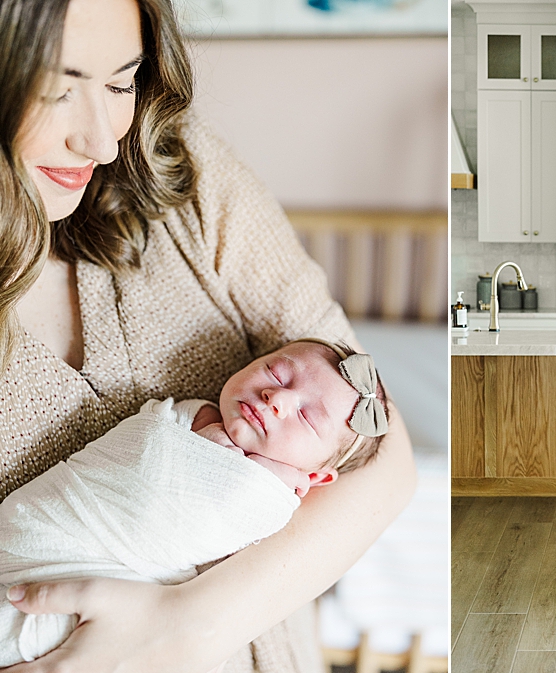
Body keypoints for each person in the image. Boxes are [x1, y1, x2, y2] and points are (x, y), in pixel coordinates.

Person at [0, 0, 416, 671]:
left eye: (119, 83)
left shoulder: (176, 169)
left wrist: (182, 628)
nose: (102, 141)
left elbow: (383, 451)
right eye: (56, 88)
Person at [0, 339, 389, 666]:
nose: (278, 398)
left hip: (102, 602)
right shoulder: (183, 417)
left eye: (307, 417)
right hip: (41, 535)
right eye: (276, 373)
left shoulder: (272, 499)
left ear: (315, 479)